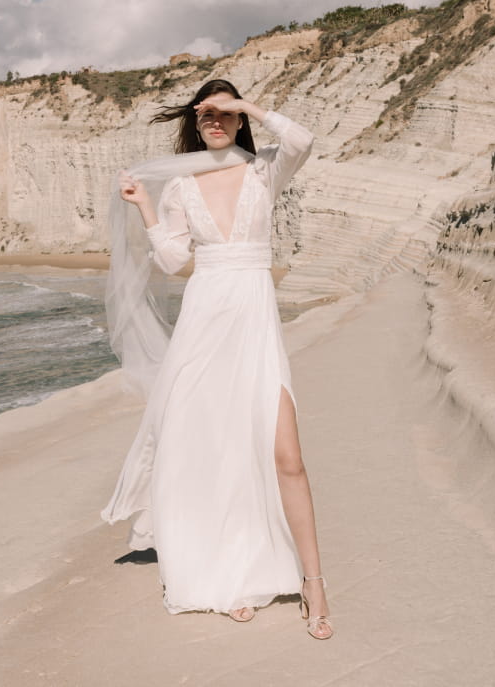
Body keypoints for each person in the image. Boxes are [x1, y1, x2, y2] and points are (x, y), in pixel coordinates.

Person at [101, 79, 332, 640]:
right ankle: (232, 576)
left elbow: (303, 139)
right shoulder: (182, 183)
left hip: (255, 320)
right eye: (205, 112)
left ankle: (315, 583)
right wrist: (148, 209)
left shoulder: (264, 168)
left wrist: (248, 105)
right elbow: (177, 259)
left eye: (223, 111)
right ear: (195, 122)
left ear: (237, 118)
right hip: (205, 325)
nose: (213, 118)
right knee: (217, 451)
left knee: (287, 456)